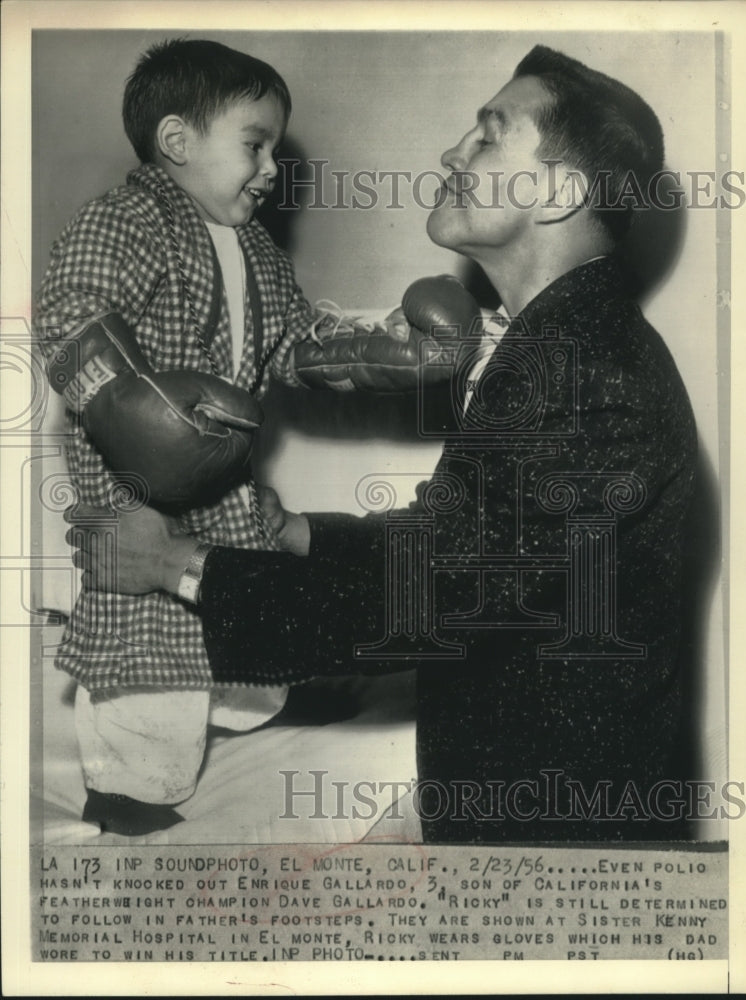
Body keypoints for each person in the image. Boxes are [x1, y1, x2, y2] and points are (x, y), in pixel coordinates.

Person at [68, 46, 698, 844]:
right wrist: (301, 533)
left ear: (559, 193)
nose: (452, 153)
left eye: (488, 135)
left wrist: (173, 565)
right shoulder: (564, 344)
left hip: (550, 836)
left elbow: (421, 605)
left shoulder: (591, 374)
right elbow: (456, 553)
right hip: (499, 788)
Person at [34, 38, 434, 837]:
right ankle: (130, 791)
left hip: (227, 485)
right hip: (138, 492)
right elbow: (69, 307)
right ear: (177, 141)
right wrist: (125, 400)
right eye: (254, 145)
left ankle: (257, 703)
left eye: (275, 150)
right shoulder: (127, 218)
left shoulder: (255, 249)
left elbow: (295, 339)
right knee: (154, 649)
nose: (271, 167)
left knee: (240, 608)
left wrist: (377, 351)